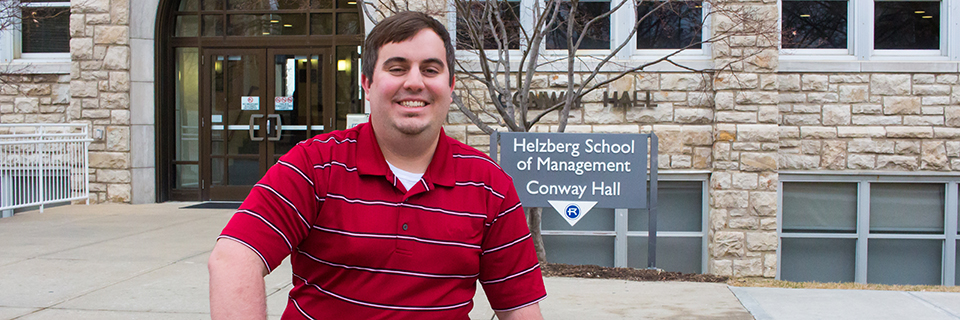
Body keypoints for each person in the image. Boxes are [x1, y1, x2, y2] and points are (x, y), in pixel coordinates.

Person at [208, 11, 546, 320]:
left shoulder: (489, 183)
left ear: (450, 85)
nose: (415, 82)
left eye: (430, 69)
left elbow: (520, 308)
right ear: (367, 83)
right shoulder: (314, 165)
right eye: (397, 68)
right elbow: (234, 259)